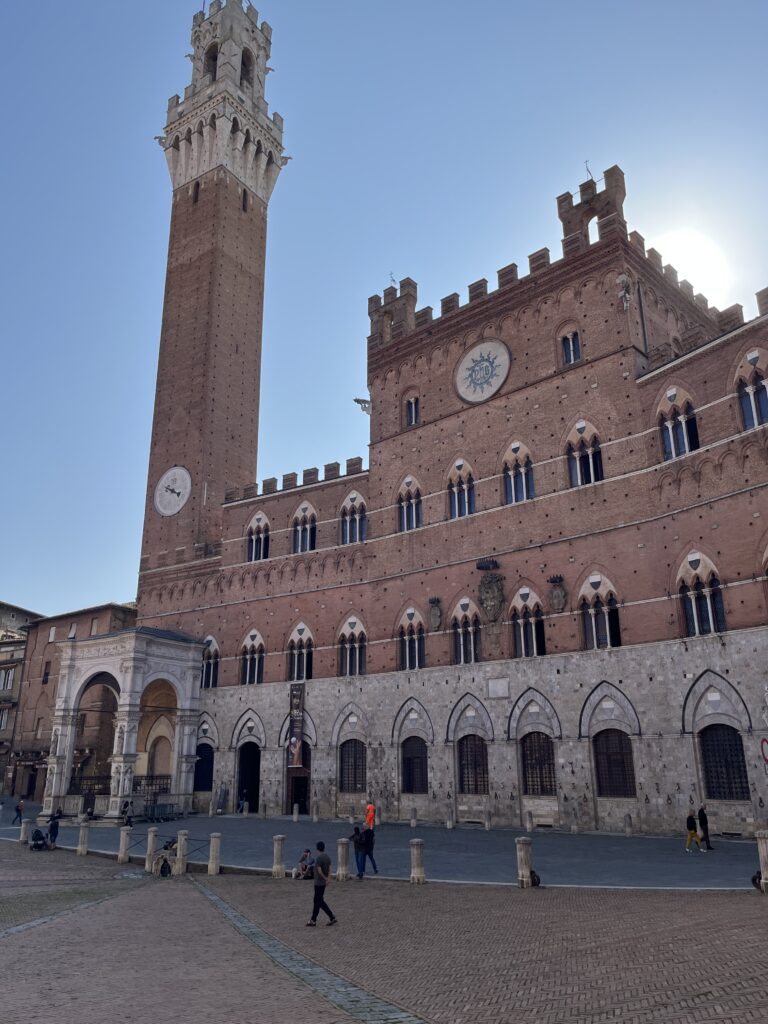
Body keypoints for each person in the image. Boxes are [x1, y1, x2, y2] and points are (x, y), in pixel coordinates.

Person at [306, 841, 337, 927]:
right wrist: (328, 879)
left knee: (318, 901)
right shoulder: (327, 857)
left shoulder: (319, 858)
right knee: (318, 901)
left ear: (317, 849)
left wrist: (325, 878)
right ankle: (316, 919)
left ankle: (315, 920)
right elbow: (330, 869)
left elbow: (319, 871)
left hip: (318, 882)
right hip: (323, 883)